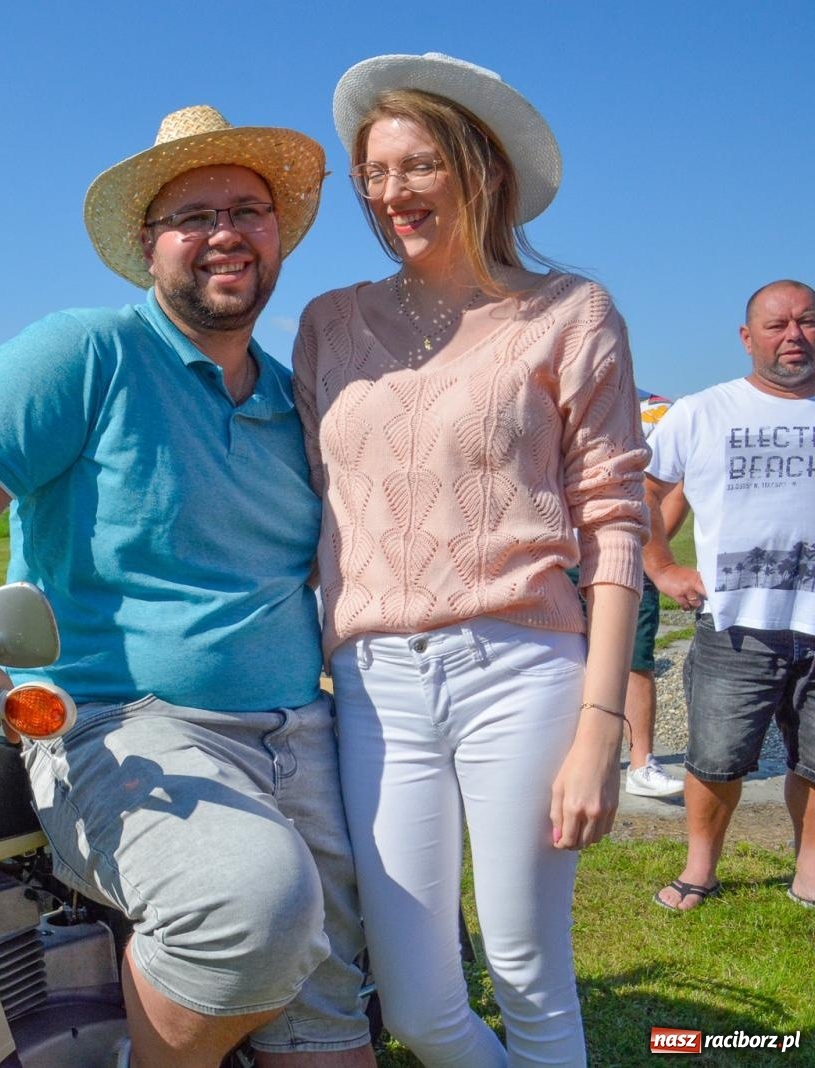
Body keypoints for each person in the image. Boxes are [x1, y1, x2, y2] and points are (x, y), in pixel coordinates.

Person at [0, 106, 372, 1066]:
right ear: (149, 244)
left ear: (278, 236)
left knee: (334, 1028)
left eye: (248, 209)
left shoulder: (299, 401)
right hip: (124, 722)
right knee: (253, 907)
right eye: (194, 215)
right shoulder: (86, 351)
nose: (225, 233)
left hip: (302, 729)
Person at [294, 54, 648, 1065]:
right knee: (411, 1006)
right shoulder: (329, 324)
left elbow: (614, 523)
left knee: (529, 976)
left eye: (418, 166)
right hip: (372, 686)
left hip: (520, 672)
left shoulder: (570, 314)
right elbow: (312, 503)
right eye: (374, 172)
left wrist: (599, 730)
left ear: (480, 170)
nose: (392, 193)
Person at [645, 279, 815, 912]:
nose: (793, 336)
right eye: (776, 325)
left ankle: (809, 871)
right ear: (748, 339)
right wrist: (660, 565)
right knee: (715, 759)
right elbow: (643, 491)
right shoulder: (702, 411)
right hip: (735, 624)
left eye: (807, 321)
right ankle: (699, 871)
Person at [572, 390, 687, 798]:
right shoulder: (552, 393)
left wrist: (650, 547)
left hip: (625, 553)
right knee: (557, 656)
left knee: (635, 656)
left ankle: (641, 763)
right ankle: (565, 757)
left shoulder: (659, 410)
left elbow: (674, 486)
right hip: (559, 551)